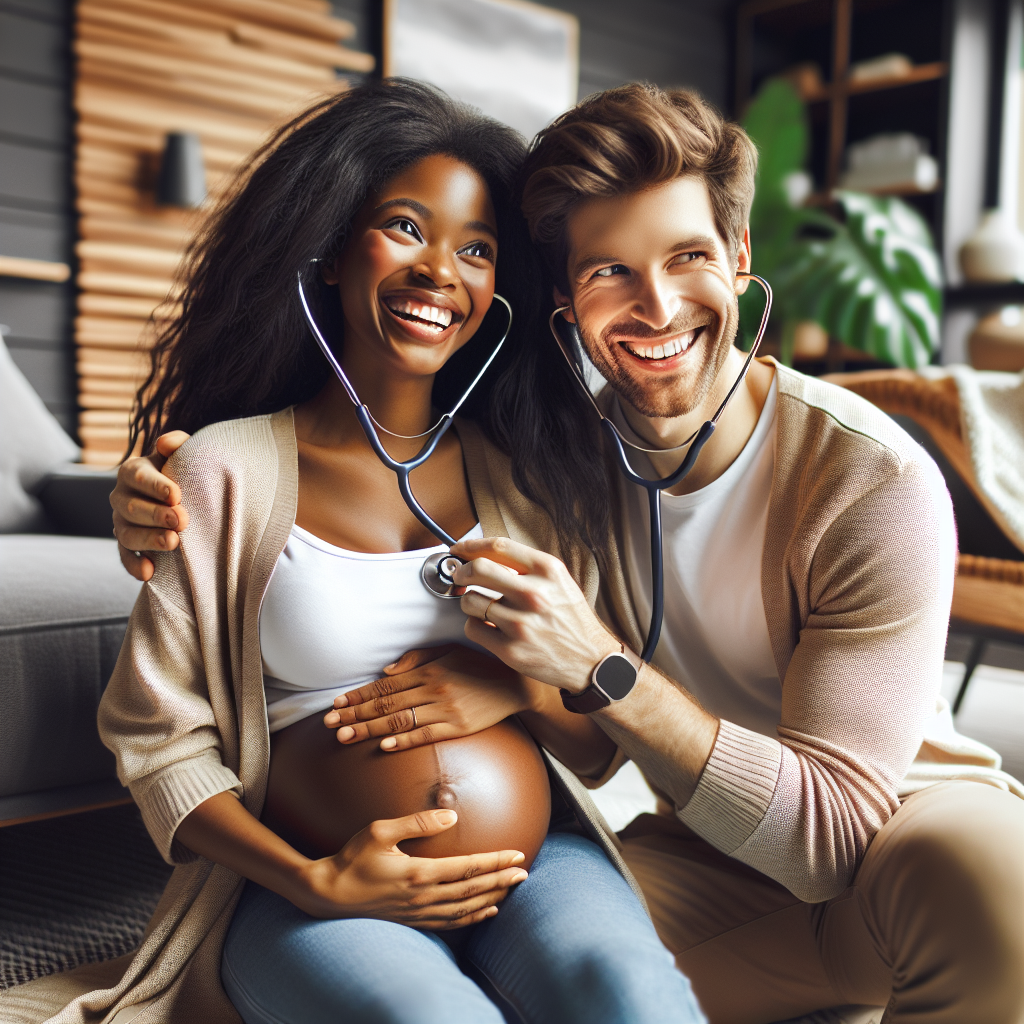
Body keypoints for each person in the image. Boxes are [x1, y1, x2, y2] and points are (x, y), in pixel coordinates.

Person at [109, 85, 1024, 1023]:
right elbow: (163, 727)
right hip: (690, 855)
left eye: (688, 257)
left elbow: (810, 835)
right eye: (609, 273)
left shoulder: (863, 480)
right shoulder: (567, 460)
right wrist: (146, 497)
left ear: (742, 260)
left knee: (996, 887)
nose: (656, 305)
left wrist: (572, 674)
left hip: (872, 840)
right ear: (560, 301)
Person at [4, 81, 701, 1024]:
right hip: (311, 890)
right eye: (405, 228)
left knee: (636, 1001)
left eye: (477, 249)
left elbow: (593, 745)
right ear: (332, 252)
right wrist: (314, 880)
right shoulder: (223, 473)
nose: (439, 272)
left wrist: (519, 684)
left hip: (532, 866)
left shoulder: (529, 480)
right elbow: (156, 740)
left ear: (501, 290)